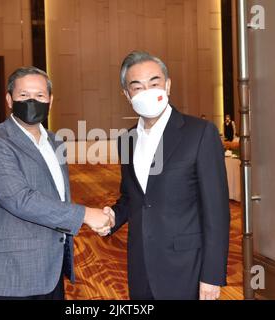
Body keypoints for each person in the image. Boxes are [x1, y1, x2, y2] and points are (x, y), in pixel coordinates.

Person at [98, 51, 230, 300]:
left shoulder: (199, 133)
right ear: (127, 95)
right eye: (137, 87)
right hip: (141, 266)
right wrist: (113, 217)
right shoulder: (126, 140)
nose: (146, 92)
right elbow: (132, 198)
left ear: (167, 85)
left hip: (186, 268)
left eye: (154, 83)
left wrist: (211, 276)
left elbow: (216, 211)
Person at [0, 66, 113, 300]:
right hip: (14, 271)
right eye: (23, 96)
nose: (32, 101)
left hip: (51, 265)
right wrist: (86, 215)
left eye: (39, 96)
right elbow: (20, 200)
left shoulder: (54, 141)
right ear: (9, 100)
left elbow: (56, 194)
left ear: (50, 100)